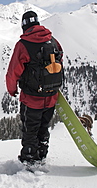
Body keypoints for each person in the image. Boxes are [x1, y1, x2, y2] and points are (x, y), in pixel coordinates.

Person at [6, 11, 63, 165]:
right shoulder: (53, 41)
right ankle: (42, 155)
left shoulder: (23, 45)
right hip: (51, 96)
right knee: (44, 127)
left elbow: (13, 72)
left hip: (31, 98)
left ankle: (30, 159)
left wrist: (12, 90)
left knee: (30, 130)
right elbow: (59, 61)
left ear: (24, 26)